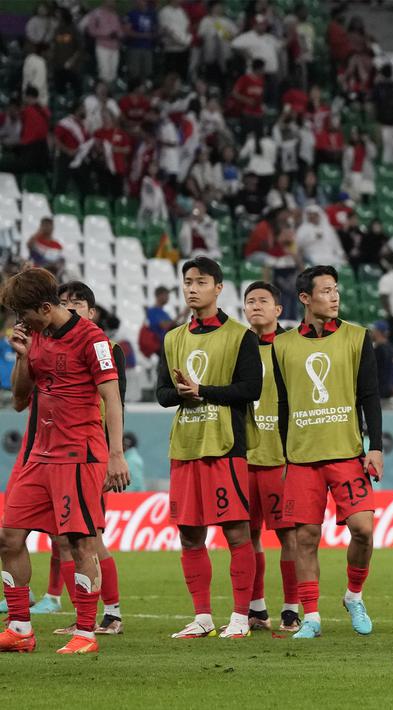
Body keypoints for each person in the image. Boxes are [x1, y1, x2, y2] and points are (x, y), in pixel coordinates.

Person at [0, 268, 127, 655]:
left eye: (25, 314)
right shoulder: (36, 336)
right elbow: (21, 400)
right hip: (40, 453)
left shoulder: (93, 339)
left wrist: (116, 454)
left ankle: (86, 633)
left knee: (78, 542)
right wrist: (22, 357)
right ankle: (20, 628)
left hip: (79, 454)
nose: (21, 322)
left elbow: (112, 397)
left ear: (45, 306)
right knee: (8, 536)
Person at [271, 265, 384, 640]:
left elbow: (370, 395)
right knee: (305, 538)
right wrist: (286, 454)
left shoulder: (357, 337)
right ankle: (313, 617)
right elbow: (284, 404)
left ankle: (354, 596)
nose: (334, 297)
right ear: (305, 298)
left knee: (363, 530)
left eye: (336, 290)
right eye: (326, 291)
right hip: (302, 458)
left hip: (346, 453)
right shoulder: (283, 345)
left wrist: (376, 447)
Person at [155, 257, 262, 640]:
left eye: (200, 282)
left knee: (236, 533)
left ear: (218, 288)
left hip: (225, 447)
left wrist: (203, 392)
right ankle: (202, 616)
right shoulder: (172, 338)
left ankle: (238, 617)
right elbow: (162, 393)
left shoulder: (240, 336)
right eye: (187, 282)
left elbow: (252, 389)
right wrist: (181, 394)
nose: (191, 288)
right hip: (185, 447)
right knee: (189, 534)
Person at [40, 281, 128, 634]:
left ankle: (112, 614)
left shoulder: (106, 348)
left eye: (77, 303)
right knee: (62, 538)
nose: (70, 308)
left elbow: (112, 404)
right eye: (63, 303)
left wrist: (111, 456)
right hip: (57, 454)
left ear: (92, 312)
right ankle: (85, 618)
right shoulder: (51, 345)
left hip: (90, 454)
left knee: (88, 537)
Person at [241, 282, 301, 634]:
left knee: (288, 536)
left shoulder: (291, 347)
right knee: (246, 535)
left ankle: (291, 608)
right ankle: (256, 607)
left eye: (264, 301)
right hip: (244, 457)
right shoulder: (236, 346)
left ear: (279, 310)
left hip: (280, 458)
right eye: (250, 302)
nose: (256, 306)